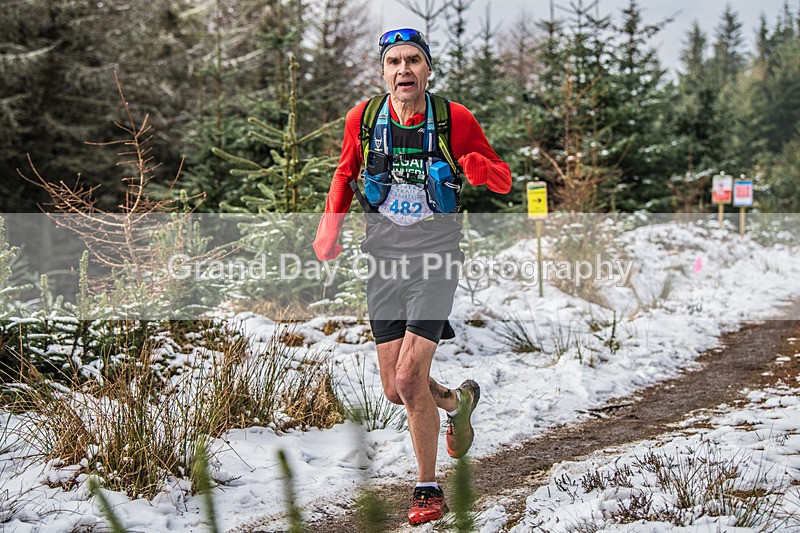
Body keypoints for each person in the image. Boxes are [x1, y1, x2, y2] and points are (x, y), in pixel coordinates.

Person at [313, 28, 512, 525]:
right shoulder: (364, 118)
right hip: (383, 260)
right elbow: (344, 172)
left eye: (414, 61)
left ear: (428, 69)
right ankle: (458, 403)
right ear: (383, 71)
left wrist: (476, 166)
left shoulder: (454, 118)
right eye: (394, 61)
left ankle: (427, 489)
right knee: (394, 387)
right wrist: (329, 226)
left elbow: (503, 177)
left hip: (436, 258)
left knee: (408, 376)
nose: (404, 70)